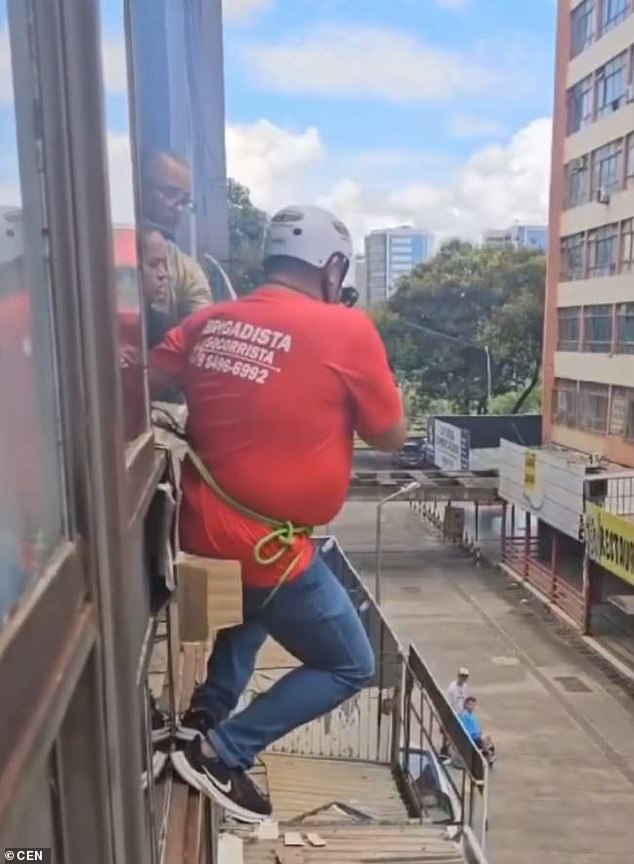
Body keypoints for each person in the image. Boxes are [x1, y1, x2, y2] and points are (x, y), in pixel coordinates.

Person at [148, 204, 406, 821]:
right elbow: (391, 433)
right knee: (350, 662)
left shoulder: (208, 320)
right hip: (264, 542)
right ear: (333, 265)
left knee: (256, 610)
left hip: (198, 523)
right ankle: (221, 752)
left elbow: (147, 374)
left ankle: (206, 711)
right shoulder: (346, 331)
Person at [141, 149, 212, 323]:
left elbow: (200, 328)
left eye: (185, 201)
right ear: (140, 186)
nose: (179, 208)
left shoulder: (187, 270)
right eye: (170, 194)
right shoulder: (104, 246)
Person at [440, 667, 471, 760]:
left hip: (461, 714)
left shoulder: (465, 687)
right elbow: (449, 702)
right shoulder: (452, 688)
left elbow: (466, 699)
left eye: (465, 677)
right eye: (461, 676)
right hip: (452, 713)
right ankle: (444, 749)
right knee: (447, 733)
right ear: (458, 676)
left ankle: (456, 751)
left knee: (460, 733)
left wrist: (466, 711)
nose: (463, 678)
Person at [459, 696, 495, 765]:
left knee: (488, 737)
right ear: (465, 705)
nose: (472, 707)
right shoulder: (464, 715)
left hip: (476, 734)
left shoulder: (473, 715)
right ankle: (488, 755)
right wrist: (477, 735)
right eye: (470, 704)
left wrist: (480, 732)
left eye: (473, 705)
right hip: (470, 737)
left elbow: (476, 727)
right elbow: (465, 729)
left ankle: (488, 754)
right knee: (484, 739)